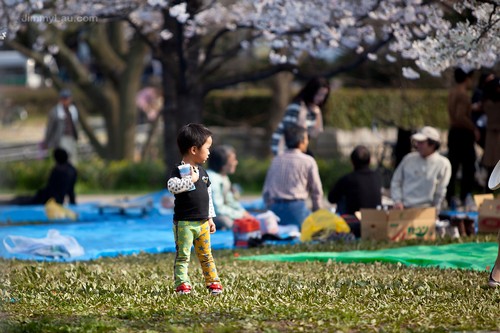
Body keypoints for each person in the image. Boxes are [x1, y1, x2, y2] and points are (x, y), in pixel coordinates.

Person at [166, 123, 222, 296]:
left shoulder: (204, 173)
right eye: (207, 148)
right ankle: (182, 284)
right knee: (183, 255)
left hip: (203, 223)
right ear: (193, 150)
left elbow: (208, 196)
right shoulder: (179, 171)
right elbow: (171, 186)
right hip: (184, 224)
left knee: (206, 255)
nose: (209, 152)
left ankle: (213, 283)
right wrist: (191, 180)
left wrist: (210, 217)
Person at [263, 124, 324, 230]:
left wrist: (270, 212)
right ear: (301, 141)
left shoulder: (276, 160)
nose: (307, 142)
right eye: (306, 139)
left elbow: (266, 192)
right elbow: (316, 192)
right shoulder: (308, 161)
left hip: (275, 211)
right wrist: (318, 214)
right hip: (297, 210)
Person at [391, 126, 451, 211]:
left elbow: (441, 191)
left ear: (432, 144)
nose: (418, 145)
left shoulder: (443, 164)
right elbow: (396, 181)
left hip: (426, 210)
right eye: (417, 142)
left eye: (422, 143)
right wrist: (397, 201)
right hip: (404, 208)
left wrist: (435, 210)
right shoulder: (408, 159)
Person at [328, 145, 382, 237]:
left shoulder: (348, 179)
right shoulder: (377, 176)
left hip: (355, 223)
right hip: (375, 220)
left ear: (352, 162)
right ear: (369, 161)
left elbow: (331, 198)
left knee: (342, 198)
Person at [446, 68, 480, 207]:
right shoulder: (463, 95)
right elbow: (461, 116)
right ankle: (464, 195)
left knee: (452, 166)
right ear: (467, 78)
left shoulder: (452, 93)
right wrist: (474, 128)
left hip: (453, 132)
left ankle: (450, 195)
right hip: (462, 134)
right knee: (468, 166)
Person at [270, 77, 330, 156]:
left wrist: (318, 113)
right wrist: (280, 154)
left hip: (299, 147)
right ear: (311, 92)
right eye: (319, 94)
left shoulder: (314, 110)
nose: (321, 98)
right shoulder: (296, 107)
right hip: (284, 147)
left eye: (324, 95)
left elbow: (315, 132)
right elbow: (288, 131)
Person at [0, 148, 77, 206]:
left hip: (47, 199)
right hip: (54, 199)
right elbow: (71, 191)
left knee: (20, 200)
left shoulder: (57, 171)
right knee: (21, 199)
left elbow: (51, 188)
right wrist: (73, 203)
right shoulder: (72, 170)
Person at [206, 145, 252, 230]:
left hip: (216, 213)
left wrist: (243, 212)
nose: (236, 162)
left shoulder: (224, 177)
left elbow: (230, 200)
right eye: (233, 160)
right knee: (228, 222)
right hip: (207, 215)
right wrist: (239, 215)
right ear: (223, 163)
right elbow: (217, 209)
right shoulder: (213, 179)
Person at [42, 89, 79, 164]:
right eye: (64, 98)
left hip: (71, 137)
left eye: (67, 98)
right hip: (61, 138)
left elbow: (76, 125)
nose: (66, 100)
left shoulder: (73, 109)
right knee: (63, 159)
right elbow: (50, 128)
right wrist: (46, 141)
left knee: (73, 159)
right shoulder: (55, 111)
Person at [481, 77, 500, 191]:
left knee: (492, 169)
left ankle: (487, 192)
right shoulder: (494, 104)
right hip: (495, 137)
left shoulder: (486, 102)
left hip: (491, 136)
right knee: (493, 170)